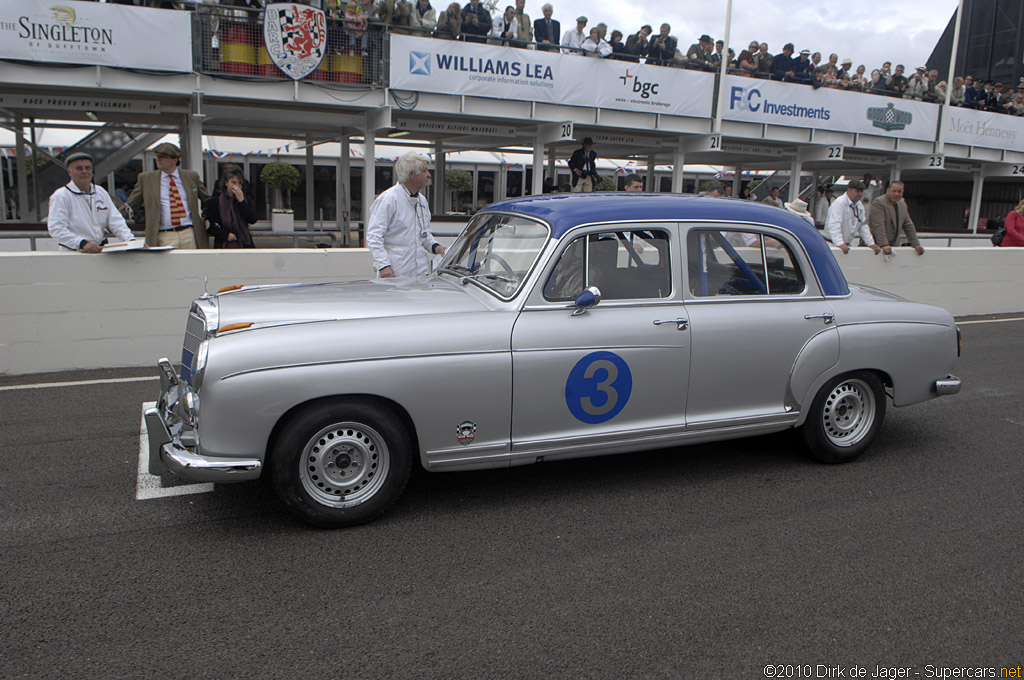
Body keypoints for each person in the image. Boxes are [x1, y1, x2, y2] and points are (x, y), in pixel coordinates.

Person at [366, 152, 446, 278]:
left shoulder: (422, 201)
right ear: (412, 174)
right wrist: (383, 266)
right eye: (424, 171)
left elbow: (424, 235)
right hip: (394, 272)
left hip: (420, 272)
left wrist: (437, 247)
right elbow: (374, 236)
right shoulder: (388, 199)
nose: (429, 175)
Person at [122, 142, 211, 249]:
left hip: (189, 232)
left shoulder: (191, 177)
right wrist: (111, 220)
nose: (158, 160)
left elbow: (208, 201)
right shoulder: (146, 179)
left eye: (163, 157)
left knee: (191, 264)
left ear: (175, 159)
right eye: (157, 156)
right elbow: (131, 204)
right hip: (164, 234)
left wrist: (206, 218)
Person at [47, 152, 137, 253]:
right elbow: (56, 228)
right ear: (69, 172)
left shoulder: (100, 192)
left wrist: (130, 240)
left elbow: (115, 221)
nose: (84, 171)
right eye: (79, 168)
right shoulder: (61, 196)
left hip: (100, 251)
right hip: (74, 253)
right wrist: (82, 243)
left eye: (87, 168)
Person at [205, 166, 257, 249]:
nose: (237, 186)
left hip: (244, 244)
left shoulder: (246, 200)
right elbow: (210, 225)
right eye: (233, 182)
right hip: (223, 244)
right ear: (226, 183)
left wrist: (241, 202)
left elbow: (252, 219)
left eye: (239, 183)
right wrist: (225, 235)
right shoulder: (215, 202)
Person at [824, 179, 880, 255]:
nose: (860, 194)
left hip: (847, 245)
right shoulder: (839, 203)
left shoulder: (859, 205)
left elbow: (863, 225)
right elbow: (834, 224)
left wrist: (870, 243)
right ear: (849, 190)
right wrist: (839, 243)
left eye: (861, 191)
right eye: (857, 191)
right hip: (832, 245)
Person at [868, 181, 924, 256]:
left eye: (899, 192)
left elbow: (908, 224)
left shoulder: (902, 203)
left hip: (894, 245)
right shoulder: (878, 203)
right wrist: (884, 244)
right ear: (888, 190)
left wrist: (916, 243)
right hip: (876, 246)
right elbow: (878, 225)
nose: (896, 194)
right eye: (894, 191)